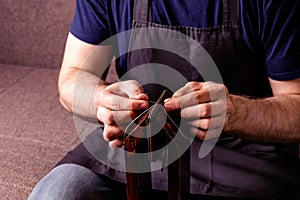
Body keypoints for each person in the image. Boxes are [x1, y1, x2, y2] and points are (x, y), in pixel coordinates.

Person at [28, 0, 300, 199]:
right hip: (134, 150)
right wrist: (102, 100)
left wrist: (236, 112)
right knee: (59, 192)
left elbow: (295, 105)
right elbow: (74, 76)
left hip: (241, 157)